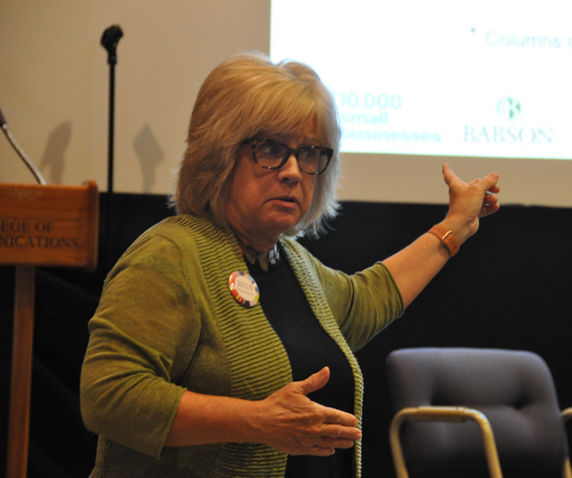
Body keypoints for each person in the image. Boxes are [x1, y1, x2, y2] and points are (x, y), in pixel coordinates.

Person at [79, 51, 500, 478]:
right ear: (217, 154)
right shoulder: (170, 255)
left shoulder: (292, 263)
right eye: (271, 149)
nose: (294, 172)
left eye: (310, 153)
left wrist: (456, 227)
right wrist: (257, 421)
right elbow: (108, 394)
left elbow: (368, 298)